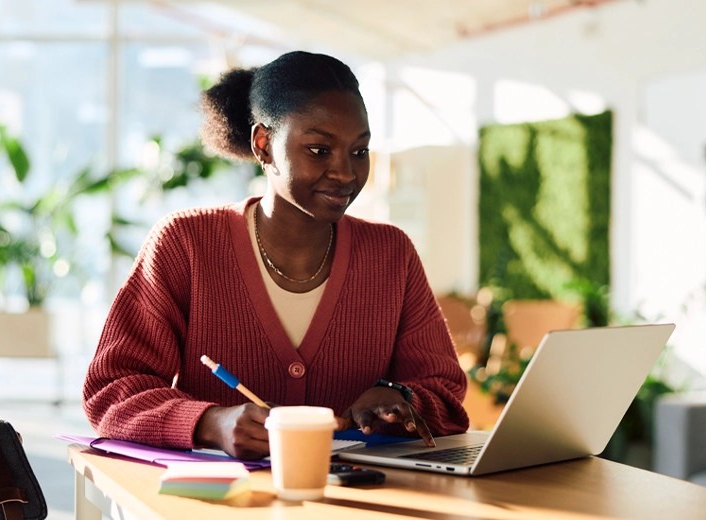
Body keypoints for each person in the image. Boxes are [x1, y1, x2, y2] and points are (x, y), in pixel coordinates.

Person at [83, 50, 469, 460]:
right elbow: (112, 389)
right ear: (263, 145)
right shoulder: (186, 244)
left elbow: (443, 391)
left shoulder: (391, 255)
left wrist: (398, 398)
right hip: (221, 509)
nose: (345, 173)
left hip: (360, 506)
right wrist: (211, 423)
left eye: (359, 151)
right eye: (319, 150)